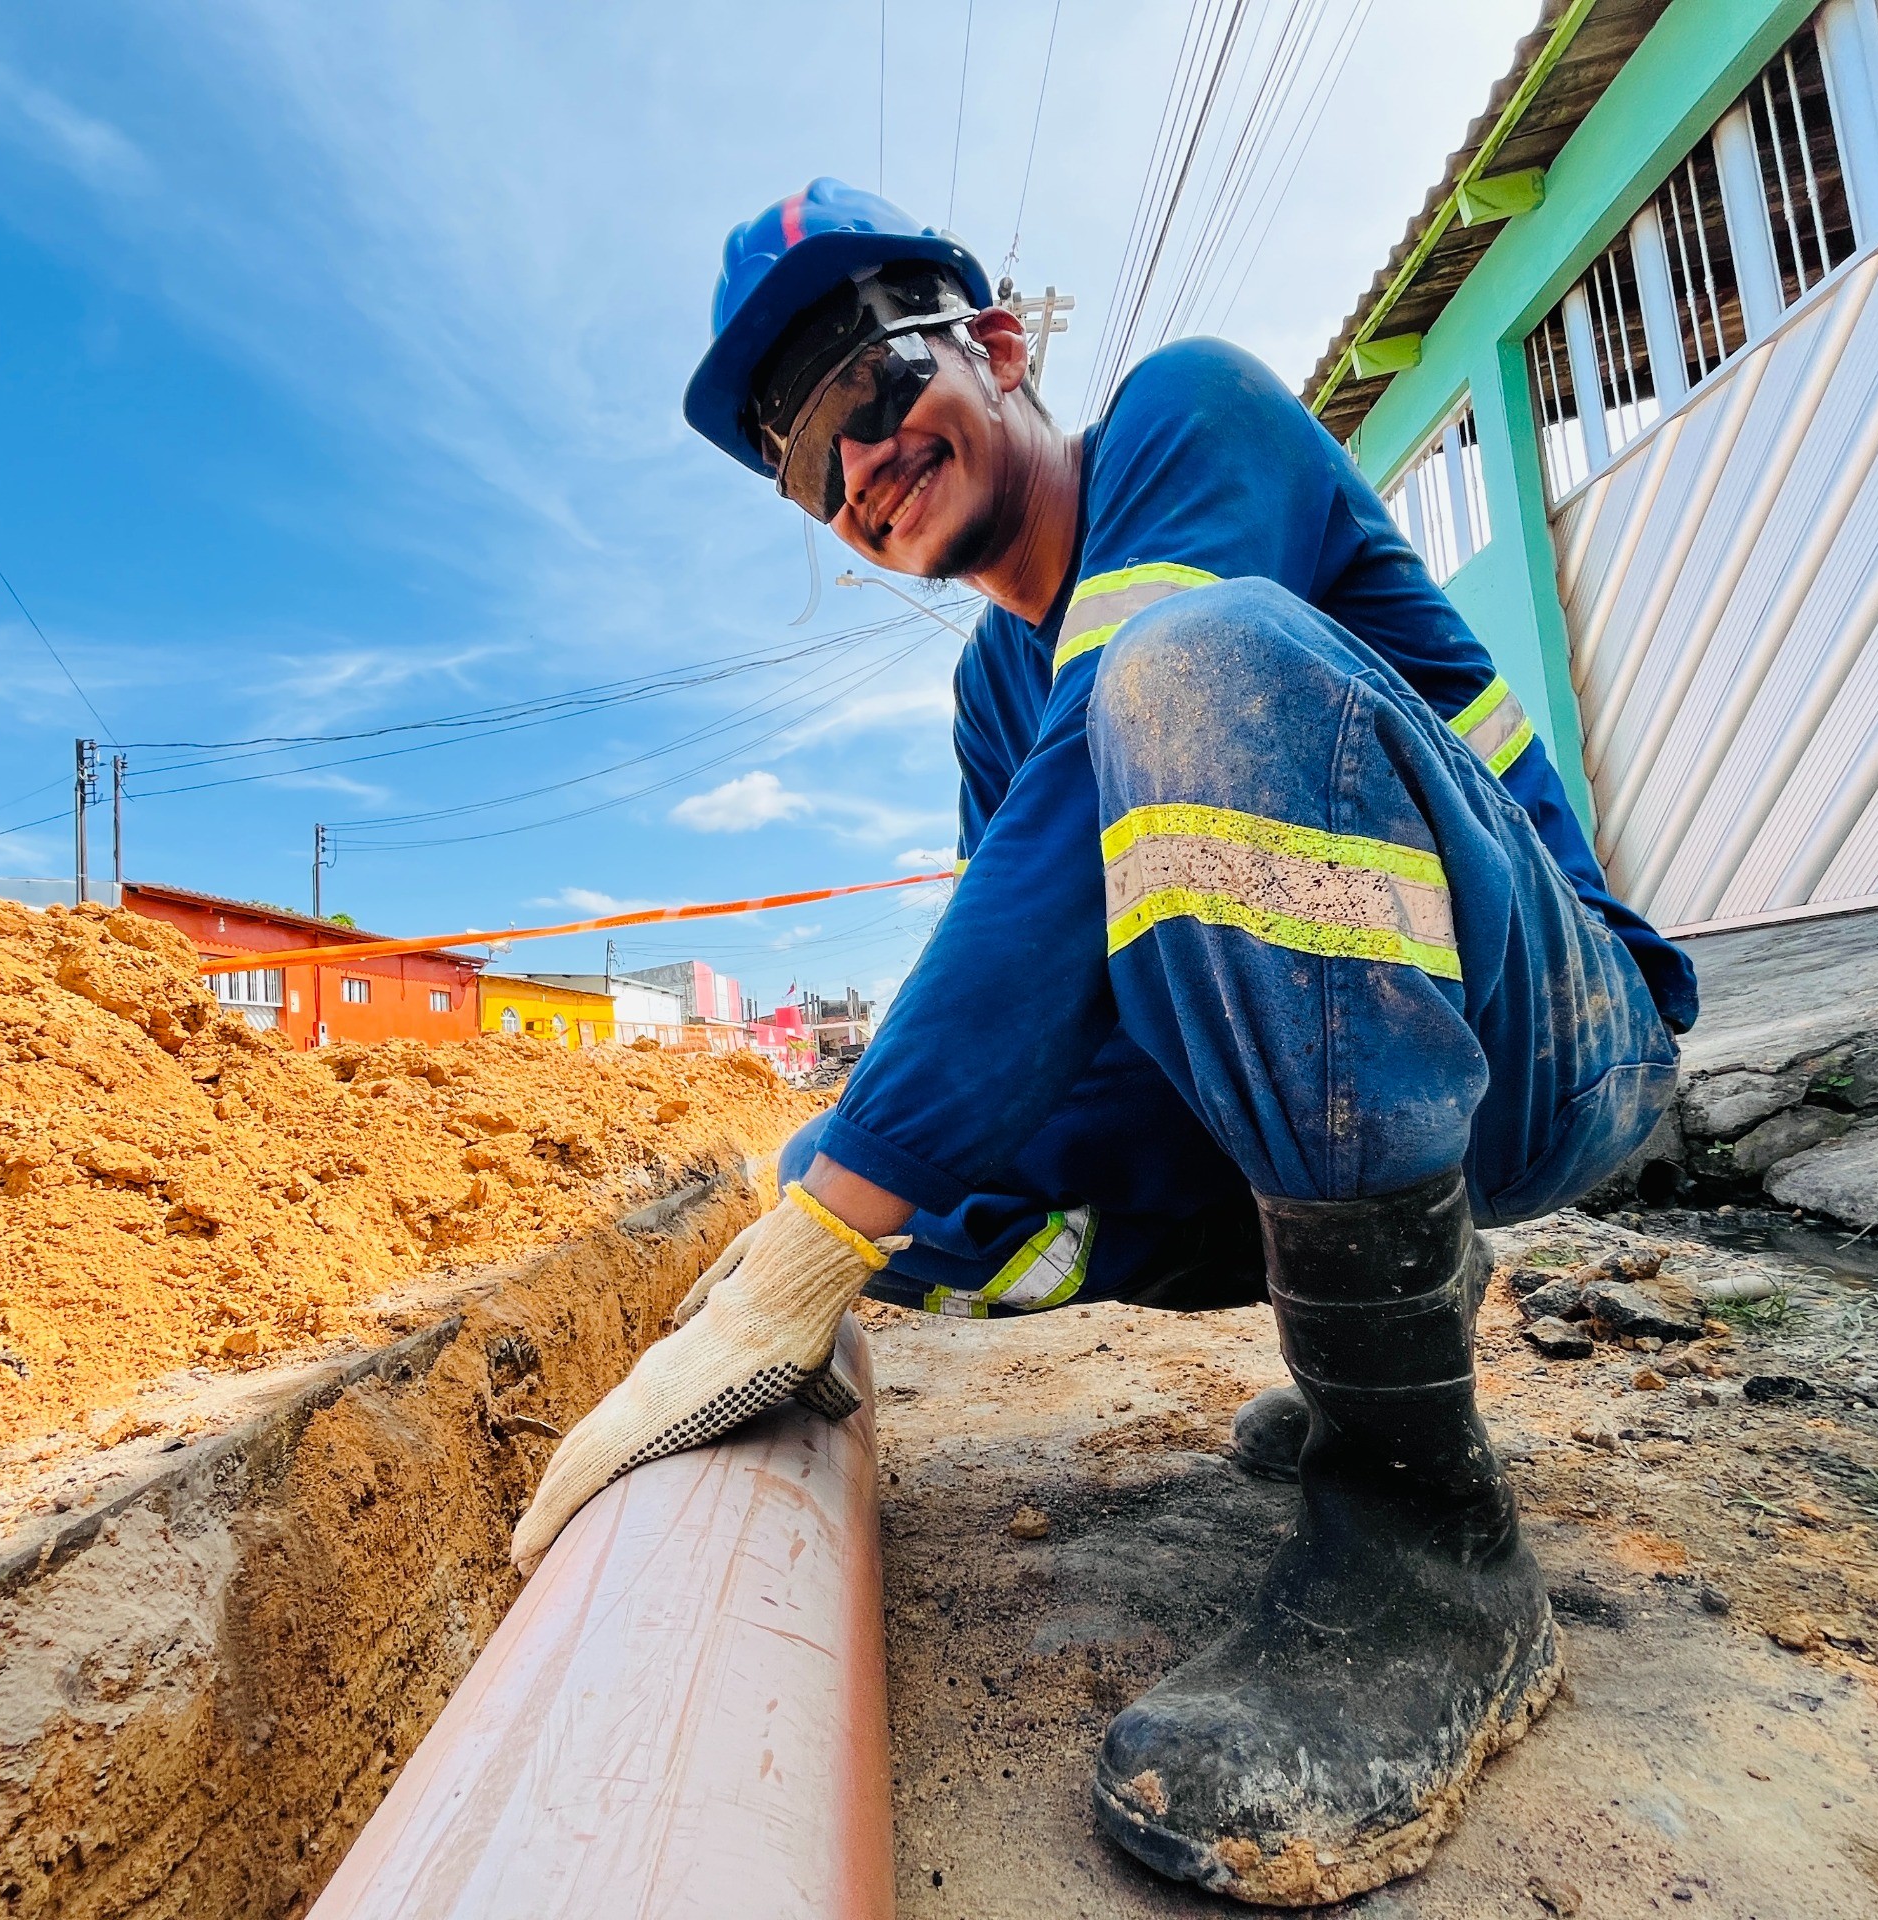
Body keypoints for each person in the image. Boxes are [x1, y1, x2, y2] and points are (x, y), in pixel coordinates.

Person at [509, 180, 1695, 1907]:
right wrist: (839, 1225)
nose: (853, 469)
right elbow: (1048, 988)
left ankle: (1431, 1559)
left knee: (1183, 672)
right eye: (799, 461)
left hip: (1561, 1036)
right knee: (933, 1196)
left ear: (995, 346)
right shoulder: (994, 690)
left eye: (863, 388)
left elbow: (1098, 795)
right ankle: (1394, 1329)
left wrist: (811, 1242)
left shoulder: (1196, 416)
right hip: (1344, 1065)